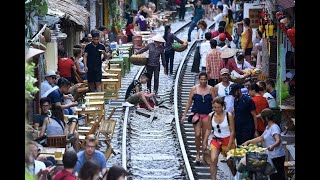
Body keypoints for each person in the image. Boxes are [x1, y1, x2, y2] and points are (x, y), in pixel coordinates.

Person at [242, 108, 286, 180]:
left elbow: (278, 140)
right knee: (272, 176)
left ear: (266, 118)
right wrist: (248, 142)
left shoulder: (274, 127)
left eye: (262, 118)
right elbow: (261, 138)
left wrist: (272, 146)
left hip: (277, 157)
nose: (261, 120)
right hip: (271, 156)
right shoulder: (268, 127)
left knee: (278, 177)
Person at [180, 72, 214, 164]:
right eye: (201, 79)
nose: (203, 81)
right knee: (197, 135)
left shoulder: (211, 89)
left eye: (204, 79)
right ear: (199, 79)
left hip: (207, 115)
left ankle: (203, 154)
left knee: (205, 136)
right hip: (197, 115)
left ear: (207, 79)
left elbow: (215, 102)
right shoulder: (194, 89)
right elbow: (189, 102)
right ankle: (198, 153)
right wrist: (184, 114)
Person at [208, 97, 236, 179]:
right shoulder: (211, 115)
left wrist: (229, 145)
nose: (216, 109)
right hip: (216, 139)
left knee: (230, 162)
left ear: (223, 106)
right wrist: (205, 140)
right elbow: (208, 129)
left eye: (218, 107)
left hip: (227, 140)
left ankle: (234, 175)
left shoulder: (228, 115)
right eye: (215, 107)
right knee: (213, 160)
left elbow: (232, 131)